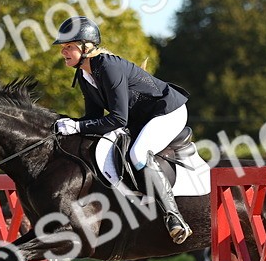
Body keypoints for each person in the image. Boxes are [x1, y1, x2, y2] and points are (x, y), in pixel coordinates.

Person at [52, 15, 192, 244]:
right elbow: (94, 118)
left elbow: (117, 119)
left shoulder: (108, 67)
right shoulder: (84, 74)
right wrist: (69, 126)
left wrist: (77, 126)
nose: (63, 52)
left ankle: (174, 217)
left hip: (167, 112)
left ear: (86, 47)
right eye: (63, 47)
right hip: (141, 118)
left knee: (137, 154)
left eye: (69, 46)